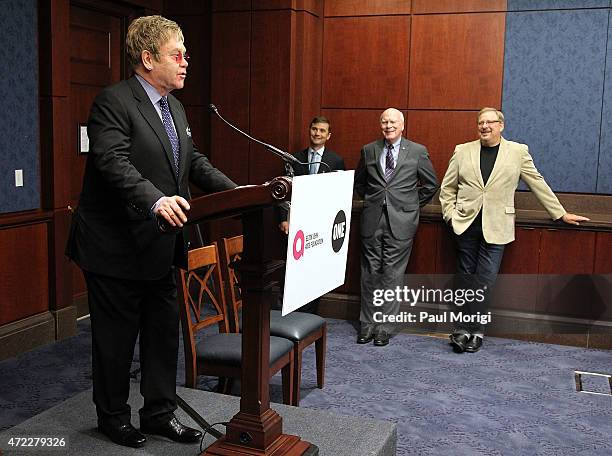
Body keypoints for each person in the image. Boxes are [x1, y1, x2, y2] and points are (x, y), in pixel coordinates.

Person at [65, 15, 237, 448]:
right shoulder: (114, 102)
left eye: (186, 55)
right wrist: (156, 199)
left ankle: (159, 413)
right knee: (115, 341)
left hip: (162, 246)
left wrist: (242, 195)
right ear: (147, 59)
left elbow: (192, 164)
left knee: (164, 336)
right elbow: (112, 164)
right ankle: (112, 417)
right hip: (115, 248)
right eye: (177, 55)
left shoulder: (175, 107)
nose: (186, 63)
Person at [439, 107, 589, 353]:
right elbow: (447, 189)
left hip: (497, 228)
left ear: (501, 125)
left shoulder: (518, 152)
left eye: (490, 122)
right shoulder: (462, 150)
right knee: (465, 279)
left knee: (484, 281)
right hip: (465, 226)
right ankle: (461, 329)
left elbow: (536, 181)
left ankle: (476, 330)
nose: (484, 126)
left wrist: (559, 213)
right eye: (480, 122)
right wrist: (450, 215)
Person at [354, 108, 439, 346]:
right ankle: (367, 323)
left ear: (402, 125)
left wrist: (408, 206)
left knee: (392, 274)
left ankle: (384, 326)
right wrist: (374, 201)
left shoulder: (418, 151)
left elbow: (431, 185)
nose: (388, 125)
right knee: (369, 272)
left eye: (393, 121)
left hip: (401, 222)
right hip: (372, 220)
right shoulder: (369, 149)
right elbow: (360, 182)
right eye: (384, 121)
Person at [276, 116, 345, 313]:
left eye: (322, 131)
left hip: (322, 226)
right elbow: (283, 191)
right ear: (309, 131)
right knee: (293, 268)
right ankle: (289, 310)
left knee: (315, 270)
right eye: (314, 129)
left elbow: (338, 195)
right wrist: (283, 219)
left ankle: (311, 312)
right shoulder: (294, 158)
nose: (317, 133)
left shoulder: (336, 160)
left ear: (328, 136)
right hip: (295, 224)